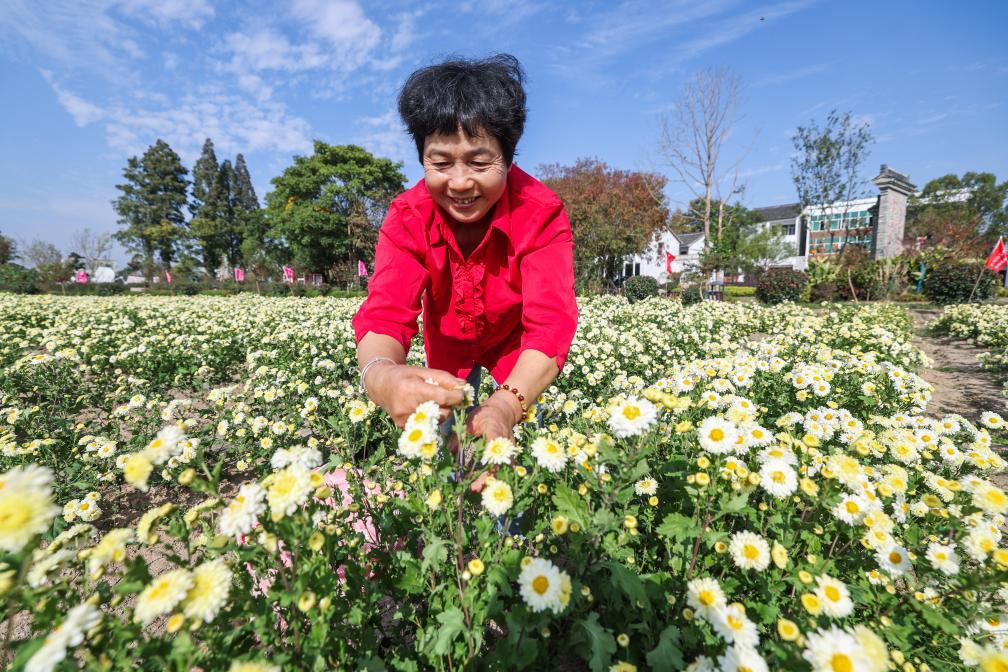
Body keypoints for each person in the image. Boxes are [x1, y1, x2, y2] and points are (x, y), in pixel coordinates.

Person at [352, 54, 578, 445]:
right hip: (447, 346)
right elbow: (385, 314)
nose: (459, 182)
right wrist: (381, 375)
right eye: (440, 163)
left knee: (519, 447)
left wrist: (506, 405)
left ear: (508, 158)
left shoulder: (541, 213)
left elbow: (549, 325)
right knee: (448, 446)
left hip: (517, 350)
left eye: (478, 161)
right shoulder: (407, 216)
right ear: (422, 158)